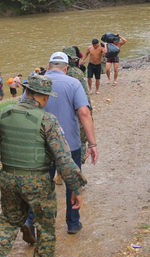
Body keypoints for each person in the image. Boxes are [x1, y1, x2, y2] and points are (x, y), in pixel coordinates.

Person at [0, 74, 87, 257]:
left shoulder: (4, 114)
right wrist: (76, 187)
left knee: (8, 222)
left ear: (26, 92)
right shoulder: (47, 121)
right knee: (45, 227)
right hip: (37, 181)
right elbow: (63, 159)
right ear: (44, 97)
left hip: (8, 178)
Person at [23, 52, 97, 239]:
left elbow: (22, 111)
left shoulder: (34, 84)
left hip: (40, 145)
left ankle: (32, 220)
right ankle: (72, 223)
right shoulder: (73, 83)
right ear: (66, 68)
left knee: (40, 185)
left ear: (48, 66)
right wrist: (92, 143)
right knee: (72, 182)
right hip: (69, 144)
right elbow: (84, 113)